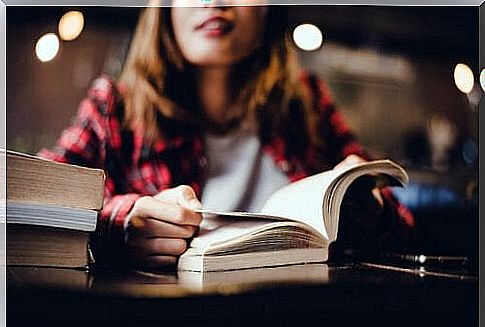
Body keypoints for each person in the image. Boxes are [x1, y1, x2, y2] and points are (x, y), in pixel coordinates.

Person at [39, 1, 415, 269]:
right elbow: (34, 207)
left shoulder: (307, 101)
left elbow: (402, 226)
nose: (214, 2)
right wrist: (120, 222)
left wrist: (373, 210)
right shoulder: (115, 106)